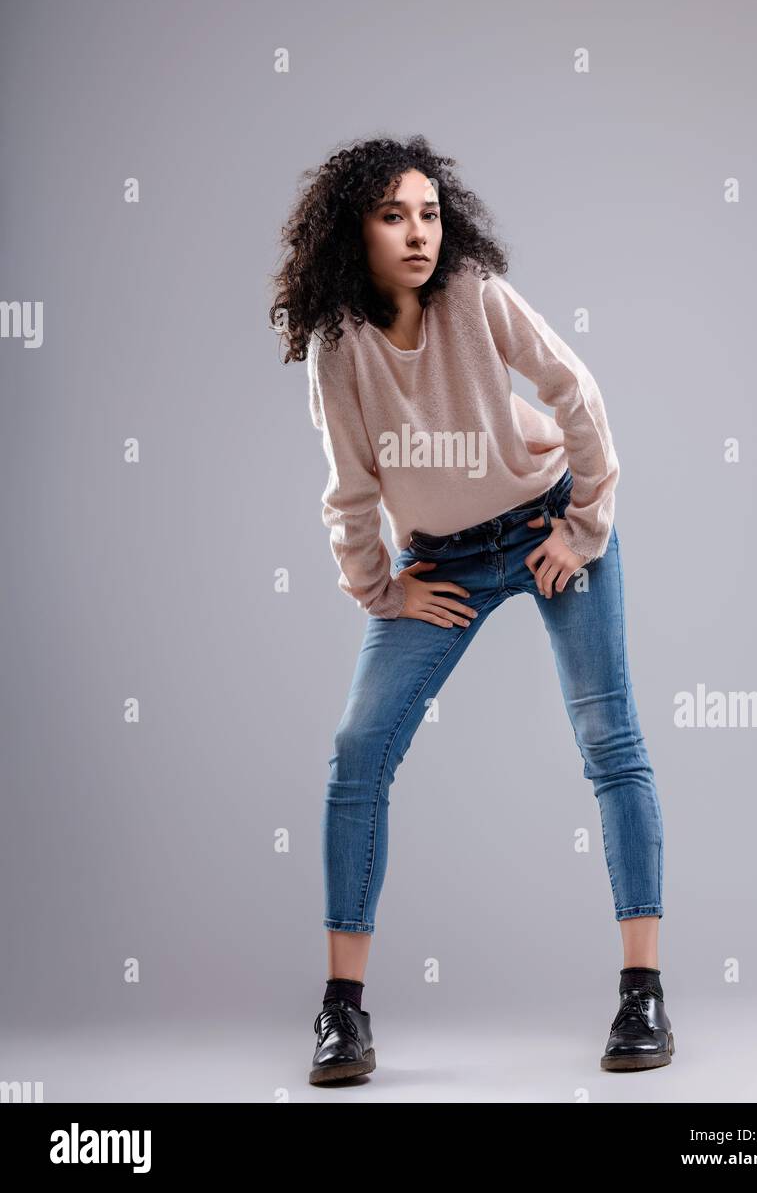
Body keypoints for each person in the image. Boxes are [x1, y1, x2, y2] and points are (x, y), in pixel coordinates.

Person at [269, 134, 673, 1085]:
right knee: (358, 752)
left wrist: (585, 524)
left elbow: (576, 390)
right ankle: (342, 1017)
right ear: (350, 233)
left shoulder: (472, 294)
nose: (418, 234)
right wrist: (379, 587)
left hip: (544, 530)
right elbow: (349, 489)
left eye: (429, 213)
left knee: (610, 741)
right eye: (392, 215)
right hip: (443, 562)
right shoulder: (339, 348)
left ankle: (644, 993)